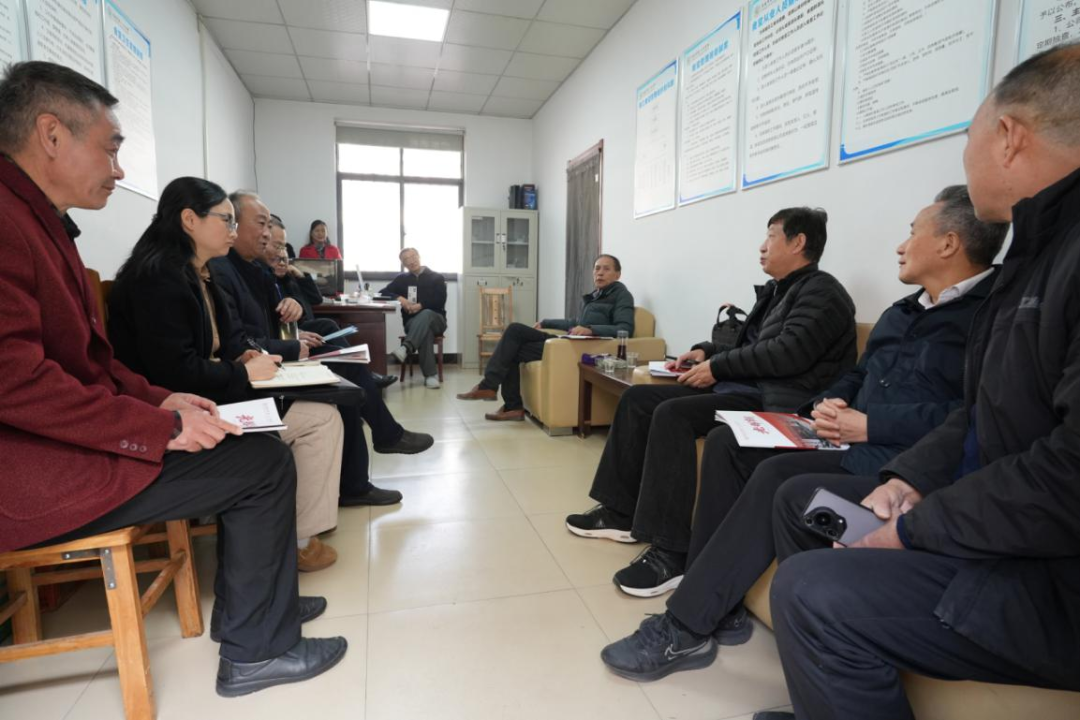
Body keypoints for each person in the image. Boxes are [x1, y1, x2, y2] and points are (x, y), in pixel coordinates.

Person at [0, 60, 345, 697]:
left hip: (74, 437)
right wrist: (160, 426)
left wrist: (160, 399)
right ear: (51, 134)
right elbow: (16, 383)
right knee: (261, 464)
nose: (118, 169)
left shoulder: (40, 224)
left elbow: (95, 365)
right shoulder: (10, 224)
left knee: (262, 446)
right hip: (35, 469)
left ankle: (256, 612)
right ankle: (256, 651)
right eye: (110, 149)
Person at [761, 44, 1080, 720]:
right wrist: (910, 479)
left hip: (1048, 568)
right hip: (995, 515)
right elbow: (980, 411)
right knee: (799, 499)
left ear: (1008, 137)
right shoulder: (1034, 259)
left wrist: (918, 527)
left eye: (968, 139)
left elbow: (1067, 472)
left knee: (811, 589)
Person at [598, 186, 1008, 682]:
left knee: (776, 478)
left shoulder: (995, 316)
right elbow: (859, 373)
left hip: (900, 462)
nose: (900, 246)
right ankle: (710, 588)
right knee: (729, 443)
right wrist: (827, 405)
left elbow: (977, 413)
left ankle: (686, 624)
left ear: (948, 243)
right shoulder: (903, 311)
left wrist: (871, 424)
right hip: (843, 436)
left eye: (912, 233)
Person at [565, 209, 856, 547]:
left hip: (778, 400)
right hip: (749, 387)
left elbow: (785, 353)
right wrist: (707, 351)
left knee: (673, 414)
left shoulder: (822, 292)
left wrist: (718, 367)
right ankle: (618, 512)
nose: (762, 246)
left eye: (771, 236)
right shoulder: (778, 291)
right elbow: (750, 345)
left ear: (798, 243)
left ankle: (669, 544)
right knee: (637, 399)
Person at [108, 177, 345, 573]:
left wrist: (246, 355)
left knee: (323, 411)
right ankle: (297, 543)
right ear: (190, 220)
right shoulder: (157, 279)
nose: (234, 231)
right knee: (318, 421)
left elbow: (229, 338)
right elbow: (175, 372)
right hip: (183, 410)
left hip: (214, 392)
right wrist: (242, 371)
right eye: (227, 220)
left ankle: (297, 539)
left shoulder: (202, 273)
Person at [212, 191, 433, 507]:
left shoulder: (253, 270)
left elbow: (288, 313)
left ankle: (362, 472)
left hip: (272, 357)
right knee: (347, 379)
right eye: (261, 226)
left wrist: (293, 310)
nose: (268, 238)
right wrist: (293, 344)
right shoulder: (224, 271)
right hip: (258, 374)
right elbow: (239, 342)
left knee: (347, 378)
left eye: (273, 235)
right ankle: (380, 442)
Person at [457, 254, 634, 421]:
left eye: (606, 269)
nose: (600, 273)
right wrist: (545, 322)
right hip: (567, 342)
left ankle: (490, 388)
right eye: (597, 268)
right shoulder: (595, 297)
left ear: (617, 274)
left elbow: (625, 328)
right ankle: (511, 406)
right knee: (513, 339)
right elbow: (574, 322)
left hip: (580, 349)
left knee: (513, 333)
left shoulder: (622, 295)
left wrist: (591, 329)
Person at [267, 214, 396, 388]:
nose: (282, 261)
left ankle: (364, 374)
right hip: (293, 332)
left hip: (305, 323)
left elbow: (315, 298)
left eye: (285, 257)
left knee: (329, 327)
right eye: (277, 255)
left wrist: (301, 275)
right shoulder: (271, 279)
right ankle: (365, 375)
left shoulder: (289, 278)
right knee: (328, 325)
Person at [383, 247, 448, 389]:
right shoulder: (401, 279)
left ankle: (406, 348)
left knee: (426, 313)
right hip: (412, 323)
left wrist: (420, 306)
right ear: (403, 264)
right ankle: (430, 376)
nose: (411, 261)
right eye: (406, 260)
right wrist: (400, 298)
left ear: (419, 256)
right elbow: (382, 292)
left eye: (413, 257)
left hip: (437, 319)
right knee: (426, 332)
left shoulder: (437, 277)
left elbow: (440, 300)